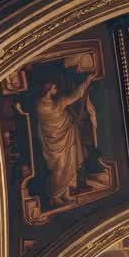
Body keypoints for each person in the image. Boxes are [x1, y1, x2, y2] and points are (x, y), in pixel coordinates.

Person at [35, 76, 96, 205]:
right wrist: (88, 80)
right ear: (49, 90)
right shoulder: (47, 105)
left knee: (71, 164)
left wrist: (87, 81)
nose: (56, 90)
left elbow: (77, 95)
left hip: (68, 136)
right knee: (60, 167)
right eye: (54, 88)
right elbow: (76, 95)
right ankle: (55, 195)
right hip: (54, 142)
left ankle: (66, 194)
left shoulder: (55, 102)